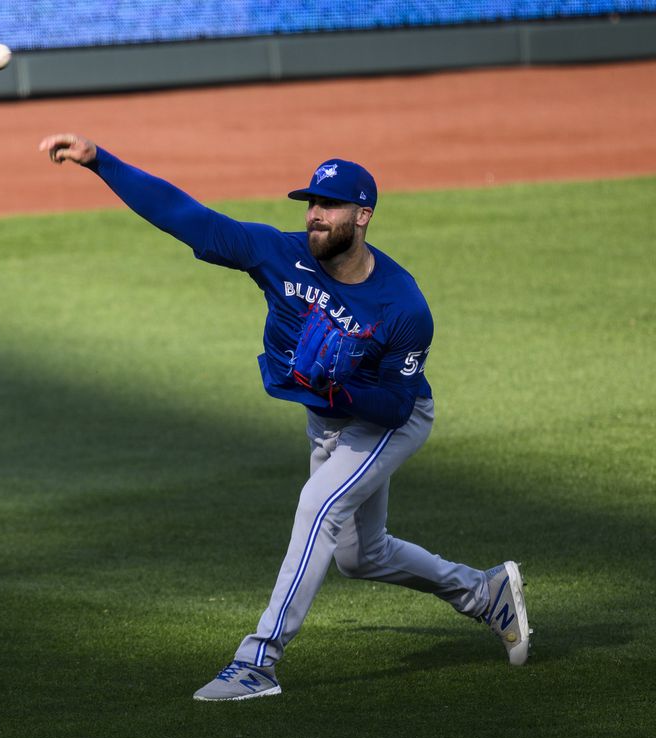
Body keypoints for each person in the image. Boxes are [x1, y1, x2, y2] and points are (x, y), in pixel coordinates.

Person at [37, 133, 531, 701]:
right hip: (328, 420)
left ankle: (258, 662)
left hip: (388, 419)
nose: (316, 216)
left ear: (363, 215)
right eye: (311, 205)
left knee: (317, 505)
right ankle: (484, 592)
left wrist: (335, 386)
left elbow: (396, 406)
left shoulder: (402, 306)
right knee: (361, 556)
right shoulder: (278, 253)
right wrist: (101, 162)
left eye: (330, 206)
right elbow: (186, 217)